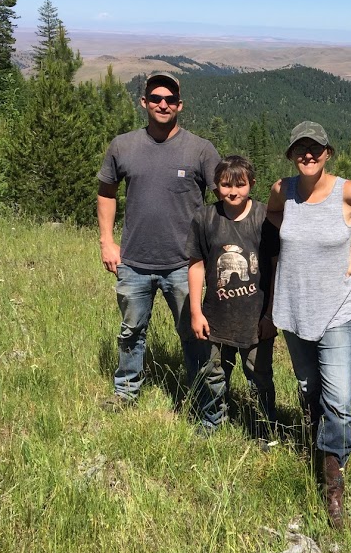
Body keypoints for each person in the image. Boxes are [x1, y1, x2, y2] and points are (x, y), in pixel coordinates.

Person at [268, 121, 351, 528]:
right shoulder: (283, 191)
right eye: (300, 149)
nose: (308, 155)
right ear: (292, 154)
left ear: (328, 153)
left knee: (340, 401)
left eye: (315, 148)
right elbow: (273, 214)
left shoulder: (348, 191)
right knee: (310, 390)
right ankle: (320, 451)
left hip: (336, 311)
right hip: (293, 308)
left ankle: (334, 489)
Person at [98, 72, 220, 410]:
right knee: (131, 333)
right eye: (155, 98)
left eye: (169, 99)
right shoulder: (123, 146)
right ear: (144, 102)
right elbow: (106, 191)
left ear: (180, 105)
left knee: (195, 336)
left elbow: (227, 199)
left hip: (185, 264)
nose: (162, 104)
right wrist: (107, 242)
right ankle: (126, 394)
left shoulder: (200, 150)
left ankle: (202, 401)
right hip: (134, 261)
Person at [186, 155, 280, 434]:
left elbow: (276, 267)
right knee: (213, 373)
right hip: (215, 316)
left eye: (240, 184)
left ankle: (265, 428)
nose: (233, 191)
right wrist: (195, 311)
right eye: (226, 184)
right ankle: (212, 420)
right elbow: (196, 264)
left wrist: (270, 315)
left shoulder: (265, 218)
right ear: (217, 186)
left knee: (260, 376)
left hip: (256, 318)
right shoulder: (205, 218)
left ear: (252, 184)